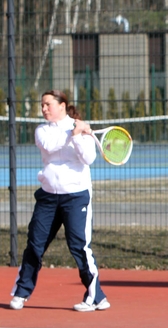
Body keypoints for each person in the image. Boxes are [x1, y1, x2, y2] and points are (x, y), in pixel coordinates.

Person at [10, 89, 110, 312]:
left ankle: (95, 297)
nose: (44, 108)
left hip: (76, 197)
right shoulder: (42, 131)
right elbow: (49, 146)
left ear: (62, 105)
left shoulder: (80, 129)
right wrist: (72, 133)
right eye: (42, 105)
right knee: (35, 245)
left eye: (48, 104)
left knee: (79, 246)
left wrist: (79, 135)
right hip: (47, 198)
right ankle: (21, 292)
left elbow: (89, 158)